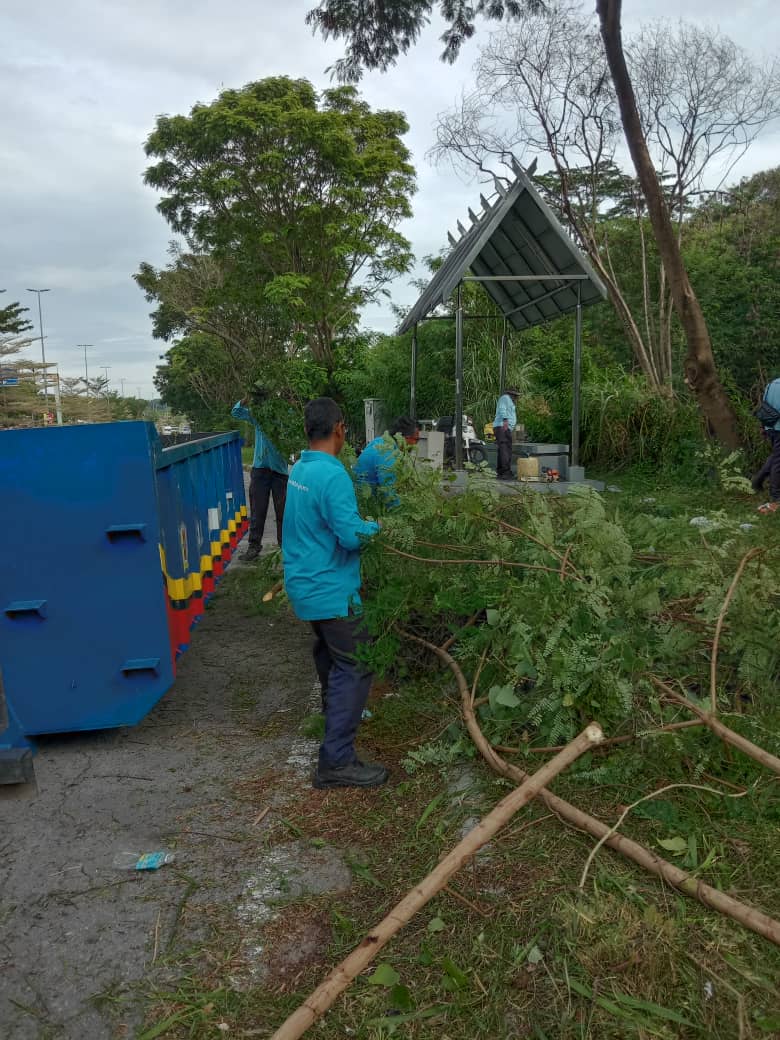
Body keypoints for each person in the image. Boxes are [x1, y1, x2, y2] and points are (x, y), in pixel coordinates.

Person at [282, 397, 387, 790]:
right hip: (330, 590)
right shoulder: (333, 475)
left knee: (329, 651)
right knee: (356, 664)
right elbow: (350, 535)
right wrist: (378, 528)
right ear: (340, 428)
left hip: (305, 586)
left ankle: (335, 715)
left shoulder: (301, 467)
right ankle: (336, 761)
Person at [231, 394, 289, 561]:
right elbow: (236, 412)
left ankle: (284, 548)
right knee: (258, 510)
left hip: (280, 471)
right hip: (260, 469)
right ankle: (254, 546)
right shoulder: (259, 416)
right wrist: (246, 398)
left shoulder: (286, 417)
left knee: (283, 512)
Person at [354, 415, 420, 505]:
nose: (416, 444)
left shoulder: (380, 441)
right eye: (416, 440)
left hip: (359, 495)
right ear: (405, 438)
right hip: (364, 503)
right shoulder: (388, 454)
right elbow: (389, 495)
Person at [752, 376, 780, 514]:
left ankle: (758, 480)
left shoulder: (772, 384)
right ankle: (776, 497)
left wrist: (763, 427)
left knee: (776, 456)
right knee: (778, 461)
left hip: (771, 427)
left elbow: (764, 407)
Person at [493, 388, 520, 480]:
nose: (516, 398)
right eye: (515, 395)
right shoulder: (505, 398)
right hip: (503, 427)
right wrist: (505, 421)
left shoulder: (508, 400)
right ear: (512, 394)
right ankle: (506, 472)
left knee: (502, 449)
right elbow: (502, 409)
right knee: (506, 450)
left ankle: (501, 471)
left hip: (503, 427)